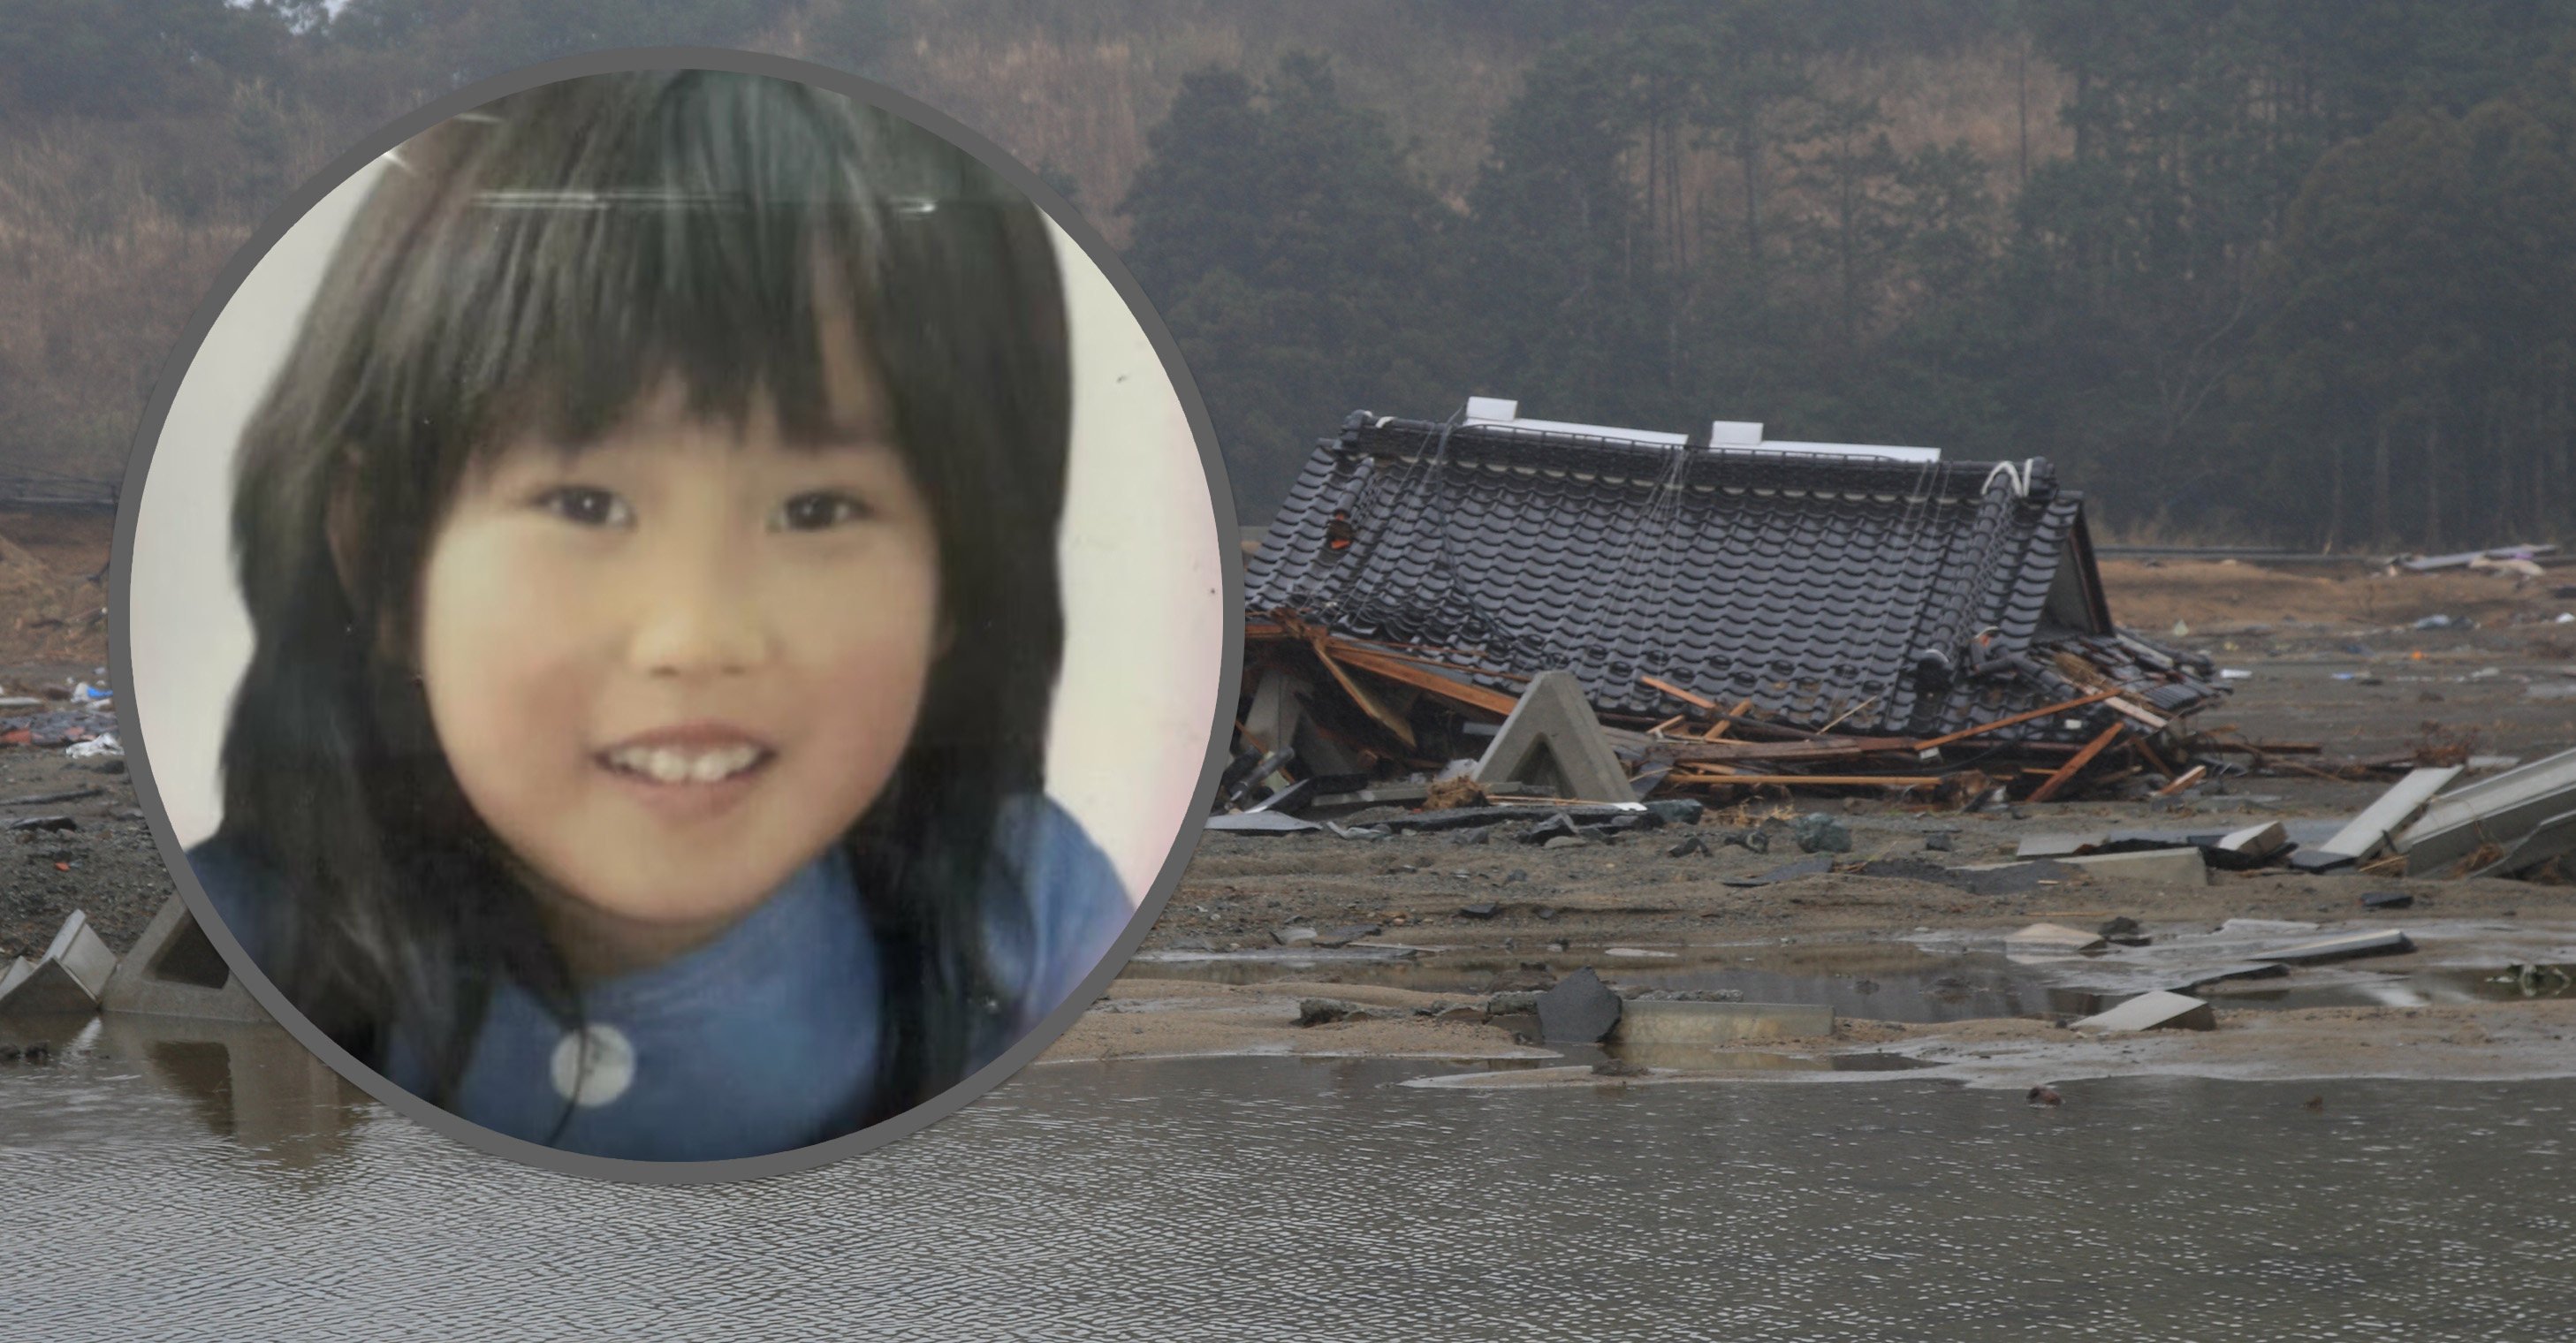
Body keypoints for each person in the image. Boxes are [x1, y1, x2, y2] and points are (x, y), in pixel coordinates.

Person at [184, 70, 1136, 1162]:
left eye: (817, 509)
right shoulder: (220, 952)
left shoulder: (1034, 924)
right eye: (586, 503)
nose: (696, 637)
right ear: (384, 559)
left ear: (959, 580)